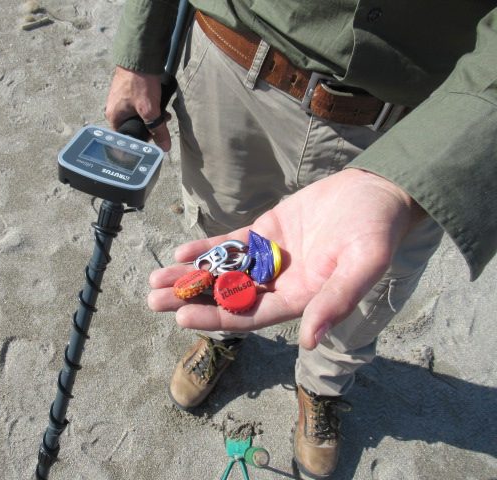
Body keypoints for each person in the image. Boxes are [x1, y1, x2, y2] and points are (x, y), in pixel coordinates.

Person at [105, 1, 497, 478]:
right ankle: (222, 337)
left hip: (418, 122)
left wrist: (395, 183)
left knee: (369, 288)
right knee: (218, 237)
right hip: (234, 62)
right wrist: (139, 50)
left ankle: (323, 386)